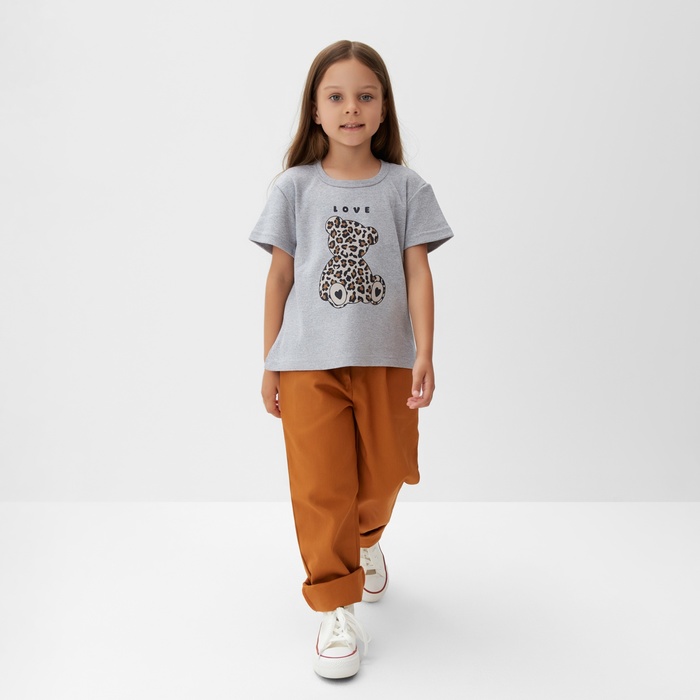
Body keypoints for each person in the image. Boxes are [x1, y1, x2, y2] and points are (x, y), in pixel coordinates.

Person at [249, 39, 453, 679]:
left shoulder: (406, 188)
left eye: (365, 96)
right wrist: (270, 360)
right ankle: (335, 607)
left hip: (386, 359)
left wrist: (425, 351)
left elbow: (417, 273)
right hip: (307, 361)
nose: (351, 108)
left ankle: (365, 542)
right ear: (314, 109)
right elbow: (280, 279)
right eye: (335, 96)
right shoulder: (294, 188)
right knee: (321, 487)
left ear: (384, 107)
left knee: (387, 473)